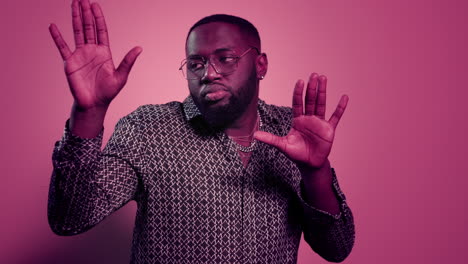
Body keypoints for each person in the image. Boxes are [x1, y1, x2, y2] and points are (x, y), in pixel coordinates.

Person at [47, 0, 355, 263]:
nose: (208, 74)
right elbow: (70, 218)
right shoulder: (148, 130)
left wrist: (316, 174)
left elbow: (337, 249)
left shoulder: (294, 132)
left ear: (260, 65)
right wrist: (89, 113)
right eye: (195, 63)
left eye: (226, 59)